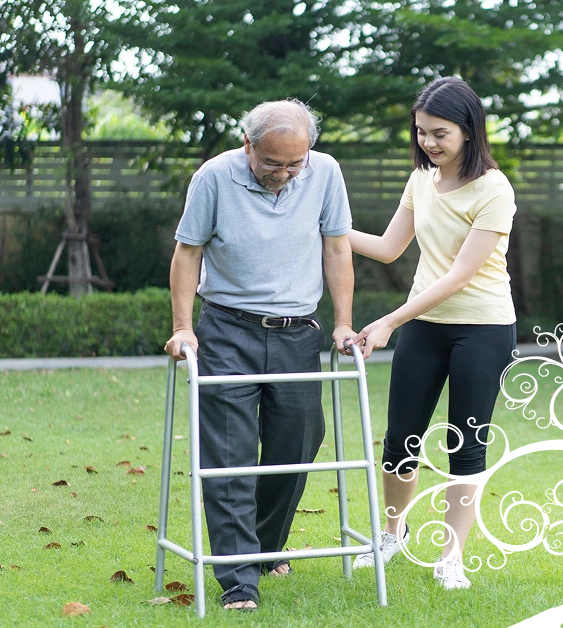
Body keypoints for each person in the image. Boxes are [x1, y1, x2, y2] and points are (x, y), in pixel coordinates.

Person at [164, 99, 355, 611]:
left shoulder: (325, 173)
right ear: (247, 144)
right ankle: (238, 580)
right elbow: (188, 252)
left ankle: (265, 545)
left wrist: (342, 322)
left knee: (299, 442)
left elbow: (337, 247)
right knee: (229, 453)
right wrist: (182, 328)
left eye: (295, 163)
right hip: (228, 329)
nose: (284, 174)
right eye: (272, 162)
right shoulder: (214, 177)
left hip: (297, 332)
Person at [346, 77, 517, 590]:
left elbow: (459, 276)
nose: (428, 142)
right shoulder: (421, 178)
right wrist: (325, 227)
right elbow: (388, 247)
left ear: (469, 129)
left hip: (483, 328)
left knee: (466, 445)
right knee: (400, 440)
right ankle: (393, 533)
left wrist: (389, 320)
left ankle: (451, 558)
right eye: (421, 132)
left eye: (439, 133)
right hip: (425, 326)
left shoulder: (494, 189)